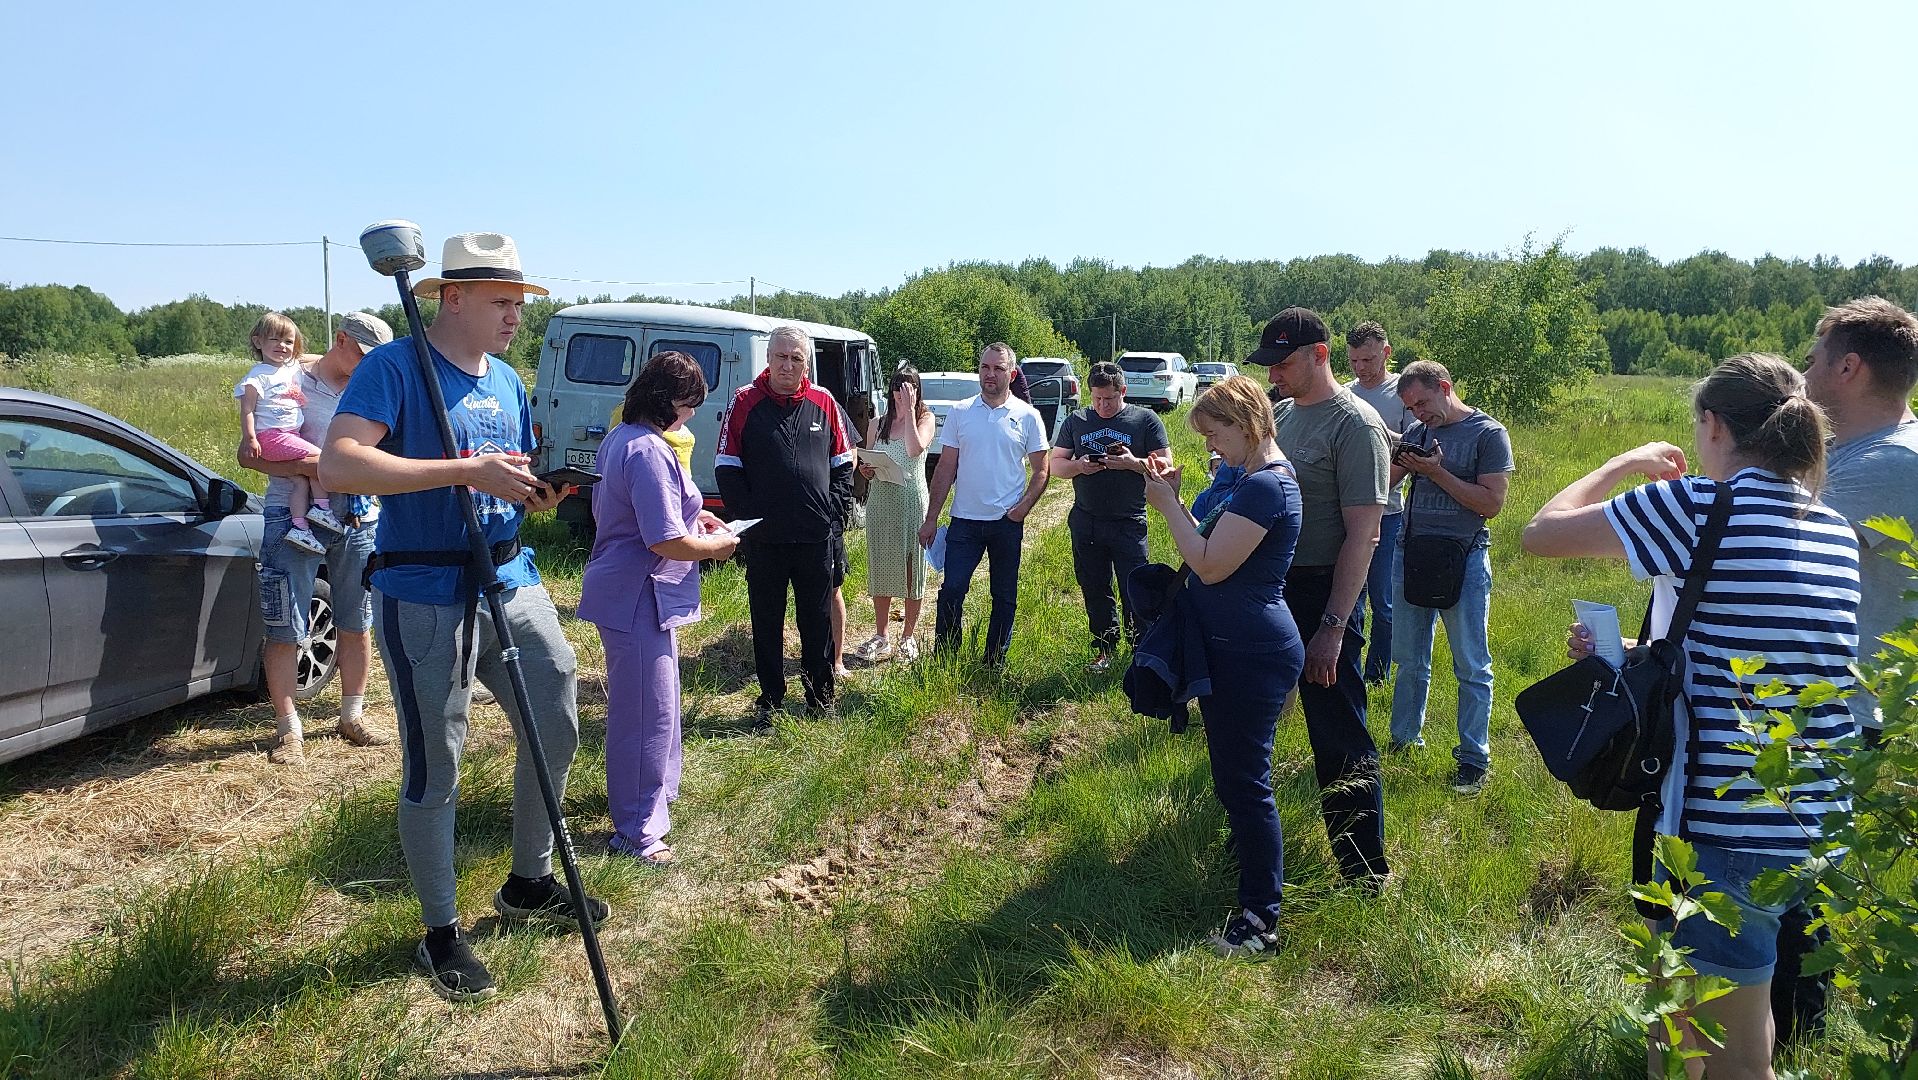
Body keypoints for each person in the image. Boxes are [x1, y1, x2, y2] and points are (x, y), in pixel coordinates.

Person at [1523, 353, 1859, 1079]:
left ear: (1712, 425)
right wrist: (1648, 647)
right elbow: (1772, 648)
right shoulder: (1831, 527)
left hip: (1723, 822)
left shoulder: (1698, 506)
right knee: (1713, 1007)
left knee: (1732, 1056)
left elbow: (1541, 532)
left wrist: (1624, 461)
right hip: (1811, 812)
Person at [322, 231, 606, 1004]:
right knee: (436, 762)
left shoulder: (509, 381)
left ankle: (528, 882)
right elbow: (339, 463)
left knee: (556, 719)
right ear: (451, 297)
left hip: (510, 577)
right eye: (503, 302)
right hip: (425, 592)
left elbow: (502, 476)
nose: (516, 315)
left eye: (519, 302)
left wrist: (532, 493)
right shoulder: (394, 369)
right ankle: (441, 931)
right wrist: (462, 470)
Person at [1771, 296, 1918, 1043]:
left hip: (1837, 715)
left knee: (1799, 886)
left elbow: (1755, 539)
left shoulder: (1884, 469)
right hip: (1835, 707)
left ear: (1849, 368)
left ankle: (1791, 1040)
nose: (1804, 371)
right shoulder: (1877, 456)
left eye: (1815, 357)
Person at [1142, 375, 1304, 957]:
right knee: (1235, 778)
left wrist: (1166, 506)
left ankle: (1261, 919)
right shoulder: (1251, 480)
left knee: (1247, 782)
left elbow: (1210, 564)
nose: (1212, 448)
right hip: (1235, 647)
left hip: (1252, 653)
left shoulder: (1267, 487)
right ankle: (1251, 887)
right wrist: (1181, 498)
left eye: (1216, 435)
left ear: (1247, 423)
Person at [1247, 307, 1393, 889]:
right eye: (1270, 364)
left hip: (1324, 589)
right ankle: (1252, 830)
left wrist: (1333, 625)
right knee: (1256, 713)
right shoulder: (1281, 415)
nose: (1275, 374)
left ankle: (1363, 869)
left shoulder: (1354, 427)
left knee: (1337, 730)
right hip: (1272, 582)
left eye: (1283, 362)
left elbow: (1365, 533)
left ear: (1319, 354)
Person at [579, 351, 739, 867]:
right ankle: (635, 830)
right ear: (667, 400)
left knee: (660, 704)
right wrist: (717, 547)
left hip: (642, 594)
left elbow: (670, 518)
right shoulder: (646, 449)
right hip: (635, 595)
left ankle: (655, 800)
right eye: (689, 404)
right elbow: (666, 538)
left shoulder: (625, 439)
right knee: (645, 714)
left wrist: (705, 527)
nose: (692, 414)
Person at [239, 311, 394, 765]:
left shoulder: (372, 389)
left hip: (359, 515)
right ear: (341, 339)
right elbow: (253, 457)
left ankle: (352, 716)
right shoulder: (286, 378)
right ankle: (288, 729)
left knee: (356, 617)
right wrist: (318, 469)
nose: (367, 366)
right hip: (291, 513)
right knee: (285, 620)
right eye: (361, 355)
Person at [1384, 360, 1512, 795]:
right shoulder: (1420, 433)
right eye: (1411, 408)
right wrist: (1396, 455)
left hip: (1464, 558)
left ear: (1444, 387)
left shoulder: (1488, 434)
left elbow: (1490, 504)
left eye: (1423, 402)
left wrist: (1436, 471)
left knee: (1472, 664)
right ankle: (1403, 742)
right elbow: (1385, 484)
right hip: (1412, 551)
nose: (1419, 413)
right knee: (1409, 659)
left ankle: (1474, 759)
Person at [715, 326, 855, 719]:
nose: (787, 365)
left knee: (816, 623)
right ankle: (771, 701)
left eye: (796, 358)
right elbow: (726, 466)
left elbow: (844, 464)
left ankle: (820, 699)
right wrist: (749, 522)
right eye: (781, 357)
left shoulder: (823, 401)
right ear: (768, 359)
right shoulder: (744, 401)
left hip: (815, 538)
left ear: (806, 363)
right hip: (766, 542)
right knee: (766, 621)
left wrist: (832, 513)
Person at [919, 343, 1050, 667]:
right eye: (985, 367)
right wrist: (931, 518)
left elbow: (1042, 469)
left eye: (998, 368)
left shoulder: (1028, 416)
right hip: (964, 520)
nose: (990, 374)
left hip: (1006, 523)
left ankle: (994, 660)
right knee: (952, 589)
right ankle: (946, 658)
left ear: (1012, 373)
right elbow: (946, 467)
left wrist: (1021, 510)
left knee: (1003, 596)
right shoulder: (961, 412)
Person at [1049, 360, 1171, 672]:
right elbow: (1057, 464)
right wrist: (1079, 466)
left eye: (1110, 399)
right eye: (1097, 398)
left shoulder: (1145, 420)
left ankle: (1141, 649)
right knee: (1094, 586)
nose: (1103, 406)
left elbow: (1165, 468)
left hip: (1129, 520)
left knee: (1135, 587)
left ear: (1123, 392)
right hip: (1087, 519)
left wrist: (1132, 463)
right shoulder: (1077, 420)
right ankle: (1104, 647)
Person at [1343, 321, 1416, 684]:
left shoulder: (1403, 392)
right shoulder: (1345, 393)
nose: (1361, 368)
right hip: (1346, 511)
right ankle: (1349, 669)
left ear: (1386, 353)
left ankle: (1378, 674)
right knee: (1349, 594)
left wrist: (1377, 488)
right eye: (1354, 360)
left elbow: (1413, 448)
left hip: (1388, 513)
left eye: (1369, 359)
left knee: (1383, 604)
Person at [234, 312, 340, 554]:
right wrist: (250, 438)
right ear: (258, 341)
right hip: (273, 436)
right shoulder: (257, 376)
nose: (282, 346)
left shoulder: (292, 367)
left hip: (290, 434)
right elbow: (247, 410)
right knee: (320, 460)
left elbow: (317, 358)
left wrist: (306, 355)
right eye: (275, 340)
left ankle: (300, 526)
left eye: (288, 342)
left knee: (300, 481)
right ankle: (323, 510)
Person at [854, 365, 935, 663]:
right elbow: (870, 460)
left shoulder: (925, 419)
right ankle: (882, 634)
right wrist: (867, 469)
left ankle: (908, 637)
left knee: (912, 569)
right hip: (882, 501)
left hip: (911, 502)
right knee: (882, 565)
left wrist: (910, 412)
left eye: (908, 389)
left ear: (916, 392)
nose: (901, 394)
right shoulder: (878, 424)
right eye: (897, 389)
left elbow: (914, 450)